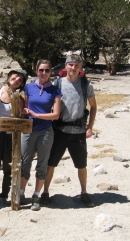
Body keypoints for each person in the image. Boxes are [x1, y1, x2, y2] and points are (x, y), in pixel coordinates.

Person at [41, 54, 97, 207]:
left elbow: (93, 106)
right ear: (65, 66)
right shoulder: (57, 84)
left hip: (78, 132)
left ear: (81, 68)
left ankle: (84, 192)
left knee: (81, 165)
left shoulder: (87, 85)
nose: (73, 68)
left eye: (76, 65)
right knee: (51, 163)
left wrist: (90, 127)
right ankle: (45, 192)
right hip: (58, 130)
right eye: (70, 65)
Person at [20, 59, 61, 211]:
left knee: (42, 164)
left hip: (45, 131)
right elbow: (25, 107)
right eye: (41, 70)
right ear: (37, 71)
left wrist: (36, 115)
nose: (44, 73)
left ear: (51, 72)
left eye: (47, 70)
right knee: (24, 162)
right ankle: (21, 193)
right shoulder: (29, 87)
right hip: (29, 130)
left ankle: (36, 195)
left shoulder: (55, 90)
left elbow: (56, 115)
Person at [0, 69, 28, 210]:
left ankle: (4, 196)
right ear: (9, 75)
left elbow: (22, 118)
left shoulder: (20, 99)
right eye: (16, 75)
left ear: (22, 84)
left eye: (21, 79)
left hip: (10, 136)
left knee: (7, 168)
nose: (17, 79)